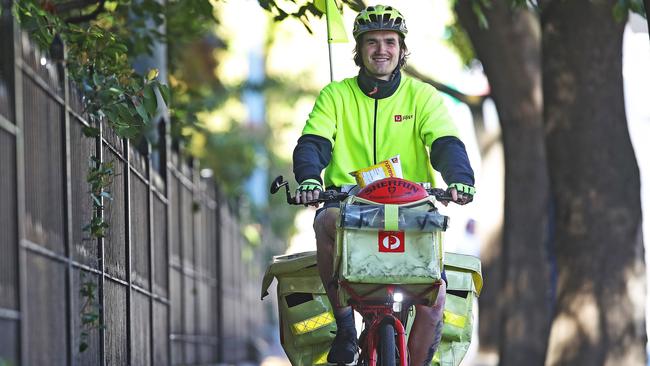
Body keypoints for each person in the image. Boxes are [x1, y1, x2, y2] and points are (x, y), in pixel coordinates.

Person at [292, 5, 475, 365]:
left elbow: (445, 142)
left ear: (402, 49)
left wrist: (460, 180)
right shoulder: (336, 95)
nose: (381, 50)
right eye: (371, 42)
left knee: (434, 302)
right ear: (358, 50)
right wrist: (311, 179)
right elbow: (313, 142)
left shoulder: (421, 96)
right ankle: (345, 326)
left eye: (390, 41)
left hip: (411, 209)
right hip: (348, 207)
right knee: (323, 222)